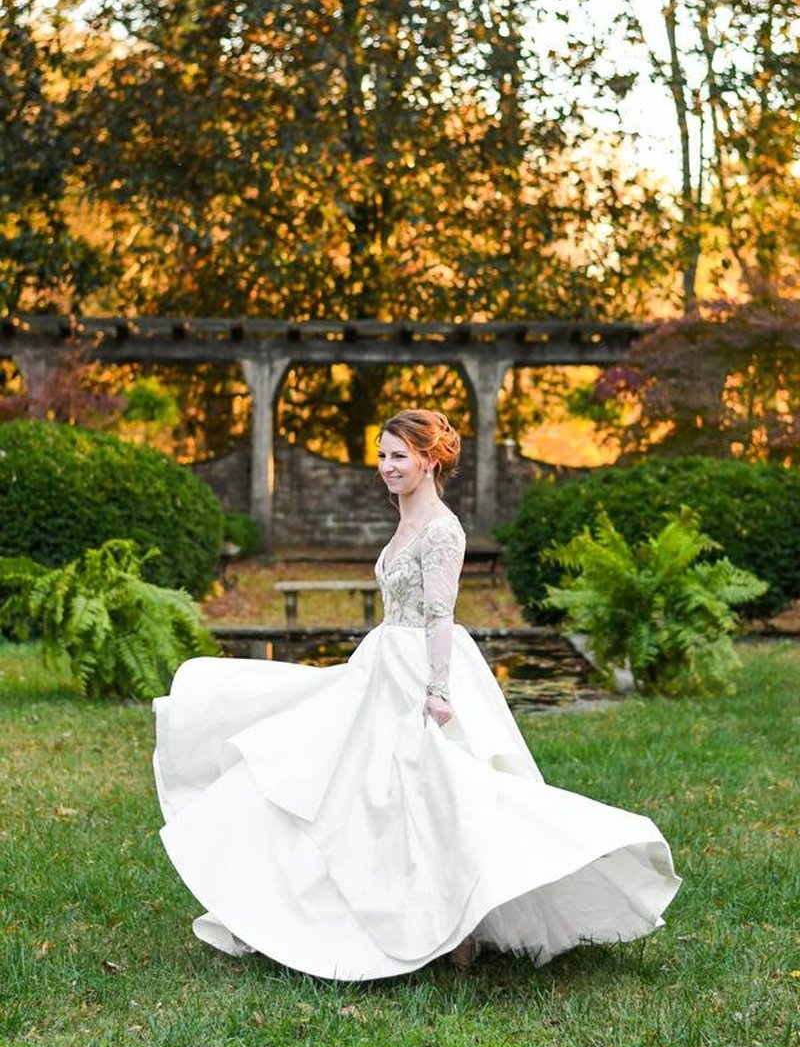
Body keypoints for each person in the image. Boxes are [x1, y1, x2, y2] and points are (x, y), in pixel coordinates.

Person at [153, 408, 680, 980]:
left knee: (436, 795)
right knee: (341, 784)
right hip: (382, 662)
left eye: (398, 456)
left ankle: (452, 930)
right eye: (381, 455)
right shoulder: (406, 522)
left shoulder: (442, 530)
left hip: (422, 670)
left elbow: (440, 613)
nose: (386, 467)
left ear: (430, 460)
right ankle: (328, 908)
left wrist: (437, 689)